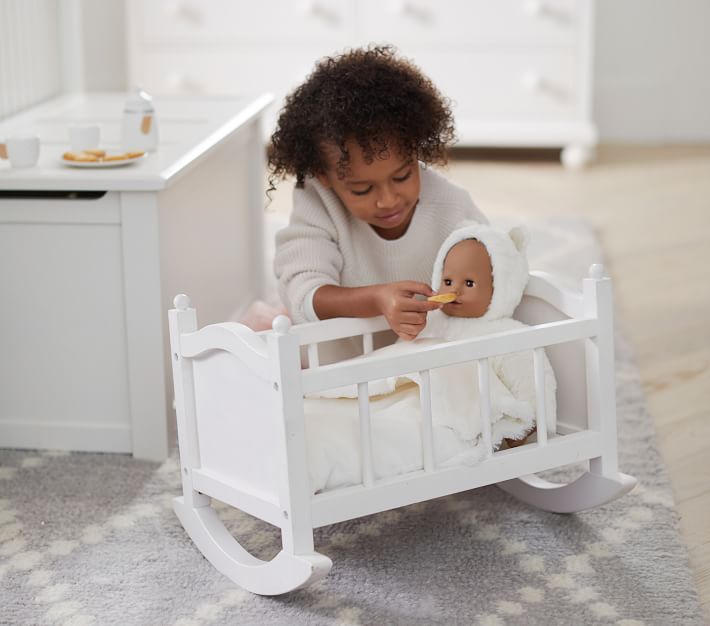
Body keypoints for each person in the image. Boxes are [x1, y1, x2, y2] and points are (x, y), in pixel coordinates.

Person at [268, 45, 488, 342]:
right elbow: (303, 296)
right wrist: (377, 299)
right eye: (362, 189)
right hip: (341, 368)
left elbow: (496, 271)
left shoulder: (452, 208)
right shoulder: (318, 204)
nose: (388, 200)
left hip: (426, 361)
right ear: (324, 176)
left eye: (402, 176)